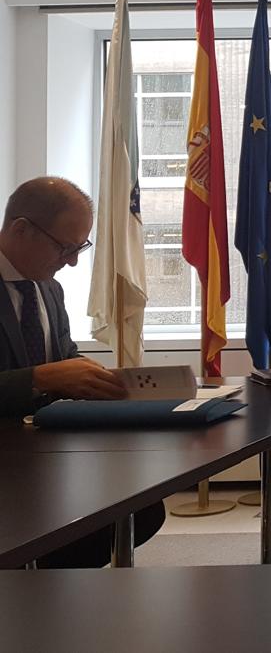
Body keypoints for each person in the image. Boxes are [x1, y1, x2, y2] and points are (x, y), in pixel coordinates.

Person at [0, 176, 165, 567]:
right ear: (20, 229)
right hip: (9, 465)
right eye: (65, 247)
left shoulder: (48, 288)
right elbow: (48, 372)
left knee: (141, 510)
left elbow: (64, 356)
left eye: (80, 248)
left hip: (48, 454)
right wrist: (39, 378)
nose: (72, 261)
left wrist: (96, 379)